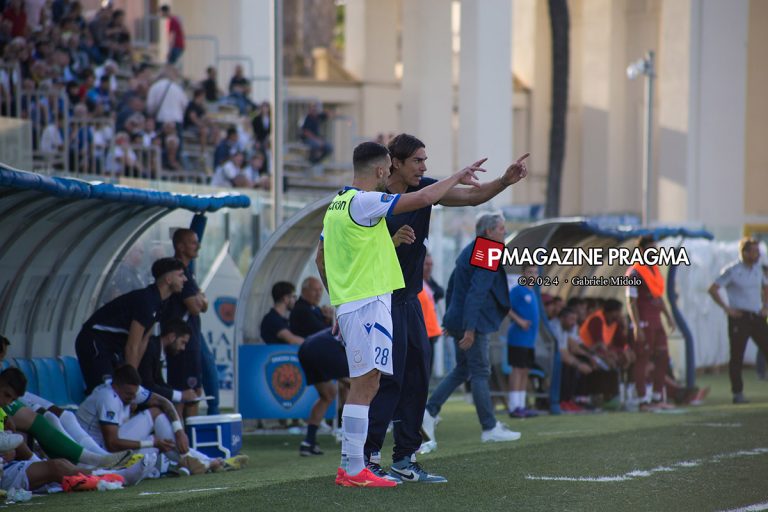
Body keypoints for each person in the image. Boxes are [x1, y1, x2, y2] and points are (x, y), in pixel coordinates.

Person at [315, 140, 483, 487]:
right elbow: (422, 198)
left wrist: (337, 301)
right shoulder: (365, 201)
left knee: (370, 382)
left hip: (356, 303)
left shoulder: (337, 204)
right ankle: (356, 466)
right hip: (366, 304)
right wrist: (458, 174)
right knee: (367, 384)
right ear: (382, 170)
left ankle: (356, 466)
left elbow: (324, 258)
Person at [366, 134, 529, 483]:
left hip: (413, 304)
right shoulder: (372, 197)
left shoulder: (427, 190)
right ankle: (368, 457)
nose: (424, 168)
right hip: (381, 301)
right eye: (418, 161)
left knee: (425, 377)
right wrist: (469, 326)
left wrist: (503, 181)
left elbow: (472, 197)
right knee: (392, 381)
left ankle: (406, 457)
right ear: (394, 162)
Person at [422, 213, 521, 450]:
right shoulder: (486, 249)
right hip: (472, 322)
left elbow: (455, 283)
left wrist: (451, 319)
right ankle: (489, 428)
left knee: (463, 369)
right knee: (479, 371)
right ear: (488, 232)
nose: (504, 233)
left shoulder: (471, 248)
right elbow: (476, 292)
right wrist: (468, 327)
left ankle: (429, 411)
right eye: (500, 229)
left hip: (461, 319)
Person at [75, 364, 215, 475]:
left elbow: (164, 403)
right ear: (115, 386)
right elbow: (112, 444)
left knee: (155, 414)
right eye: (129, 394)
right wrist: (151, 442)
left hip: (110, 447)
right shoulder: (107, 398)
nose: (132, 398)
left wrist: (179, 431)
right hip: (95, 455)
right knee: (153, 447)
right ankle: (196, 461)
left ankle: (193, 460)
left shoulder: (130, 391)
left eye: (134, 394)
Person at [75, 258, 186, 393]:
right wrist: (133, 386)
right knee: (106, 391)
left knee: (122, 390)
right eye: (180, 275)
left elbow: (142, 342)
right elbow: (132, 346)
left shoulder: (160, 303)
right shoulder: (147, 301)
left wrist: (135, 382)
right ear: (168, 279)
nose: (184, 279)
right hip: (94, 341)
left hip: (112, 347)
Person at [708, 237, 768, 404]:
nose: (757, 255)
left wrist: (765, 306)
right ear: (745, 252)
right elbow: (713, 289)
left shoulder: (758, 269)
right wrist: (727, 309)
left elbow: (766, 287)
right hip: (739, 318)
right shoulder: (732, 270)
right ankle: (737, 392)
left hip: (756, 316)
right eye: (754, 251)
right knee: (737, 356)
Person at [626, 236, 677, 410]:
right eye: (650, 249)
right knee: (642, 359)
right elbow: (631, 301)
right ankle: (642, 401)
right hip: (644, 322)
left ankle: (656, 398)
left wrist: (668, 317)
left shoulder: (654, 269)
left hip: (657, 321)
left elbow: (658, 297)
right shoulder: (634, 272)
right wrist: (636, 326)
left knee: (663, 357)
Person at [165, 229, 211, 418]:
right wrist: (200, 299)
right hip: (181, 346)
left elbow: (204, 305)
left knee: (193, 393)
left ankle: (186, 442)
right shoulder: (178, 271)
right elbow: (194, 306)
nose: (198, 246)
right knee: (186, 395)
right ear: (180, 246)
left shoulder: (188, 272)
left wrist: (201, 299)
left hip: (190, 342)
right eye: (193, 242)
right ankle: (182, 441)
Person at [297, 328, 349, 457]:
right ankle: (350, 435)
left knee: (327, 395)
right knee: (356, 386)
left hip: (305, 347)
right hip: (323, 347)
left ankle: (308, 442)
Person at [138, 318, 198, 407]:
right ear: (171, 337)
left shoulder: (158, 349)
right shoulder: (151, 348)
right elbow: (148, 386)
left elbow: (159, 382)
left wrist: (182, 395)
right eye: (183, 342)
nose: (183, 348)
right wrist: (180, 395)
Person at [506, 264, 540, 418]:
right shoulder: (518, 290)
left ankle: (521, 405)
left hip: (529, 340)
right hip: (518, 338)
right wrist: (519, 321)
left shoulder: (532, 292)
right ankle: (514, 407)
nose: (533, 275)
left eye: (535, 272)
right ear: (523, 273)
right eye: (530, 272)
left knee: (525, 371)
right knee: (517, 370)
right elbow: (506, 307)